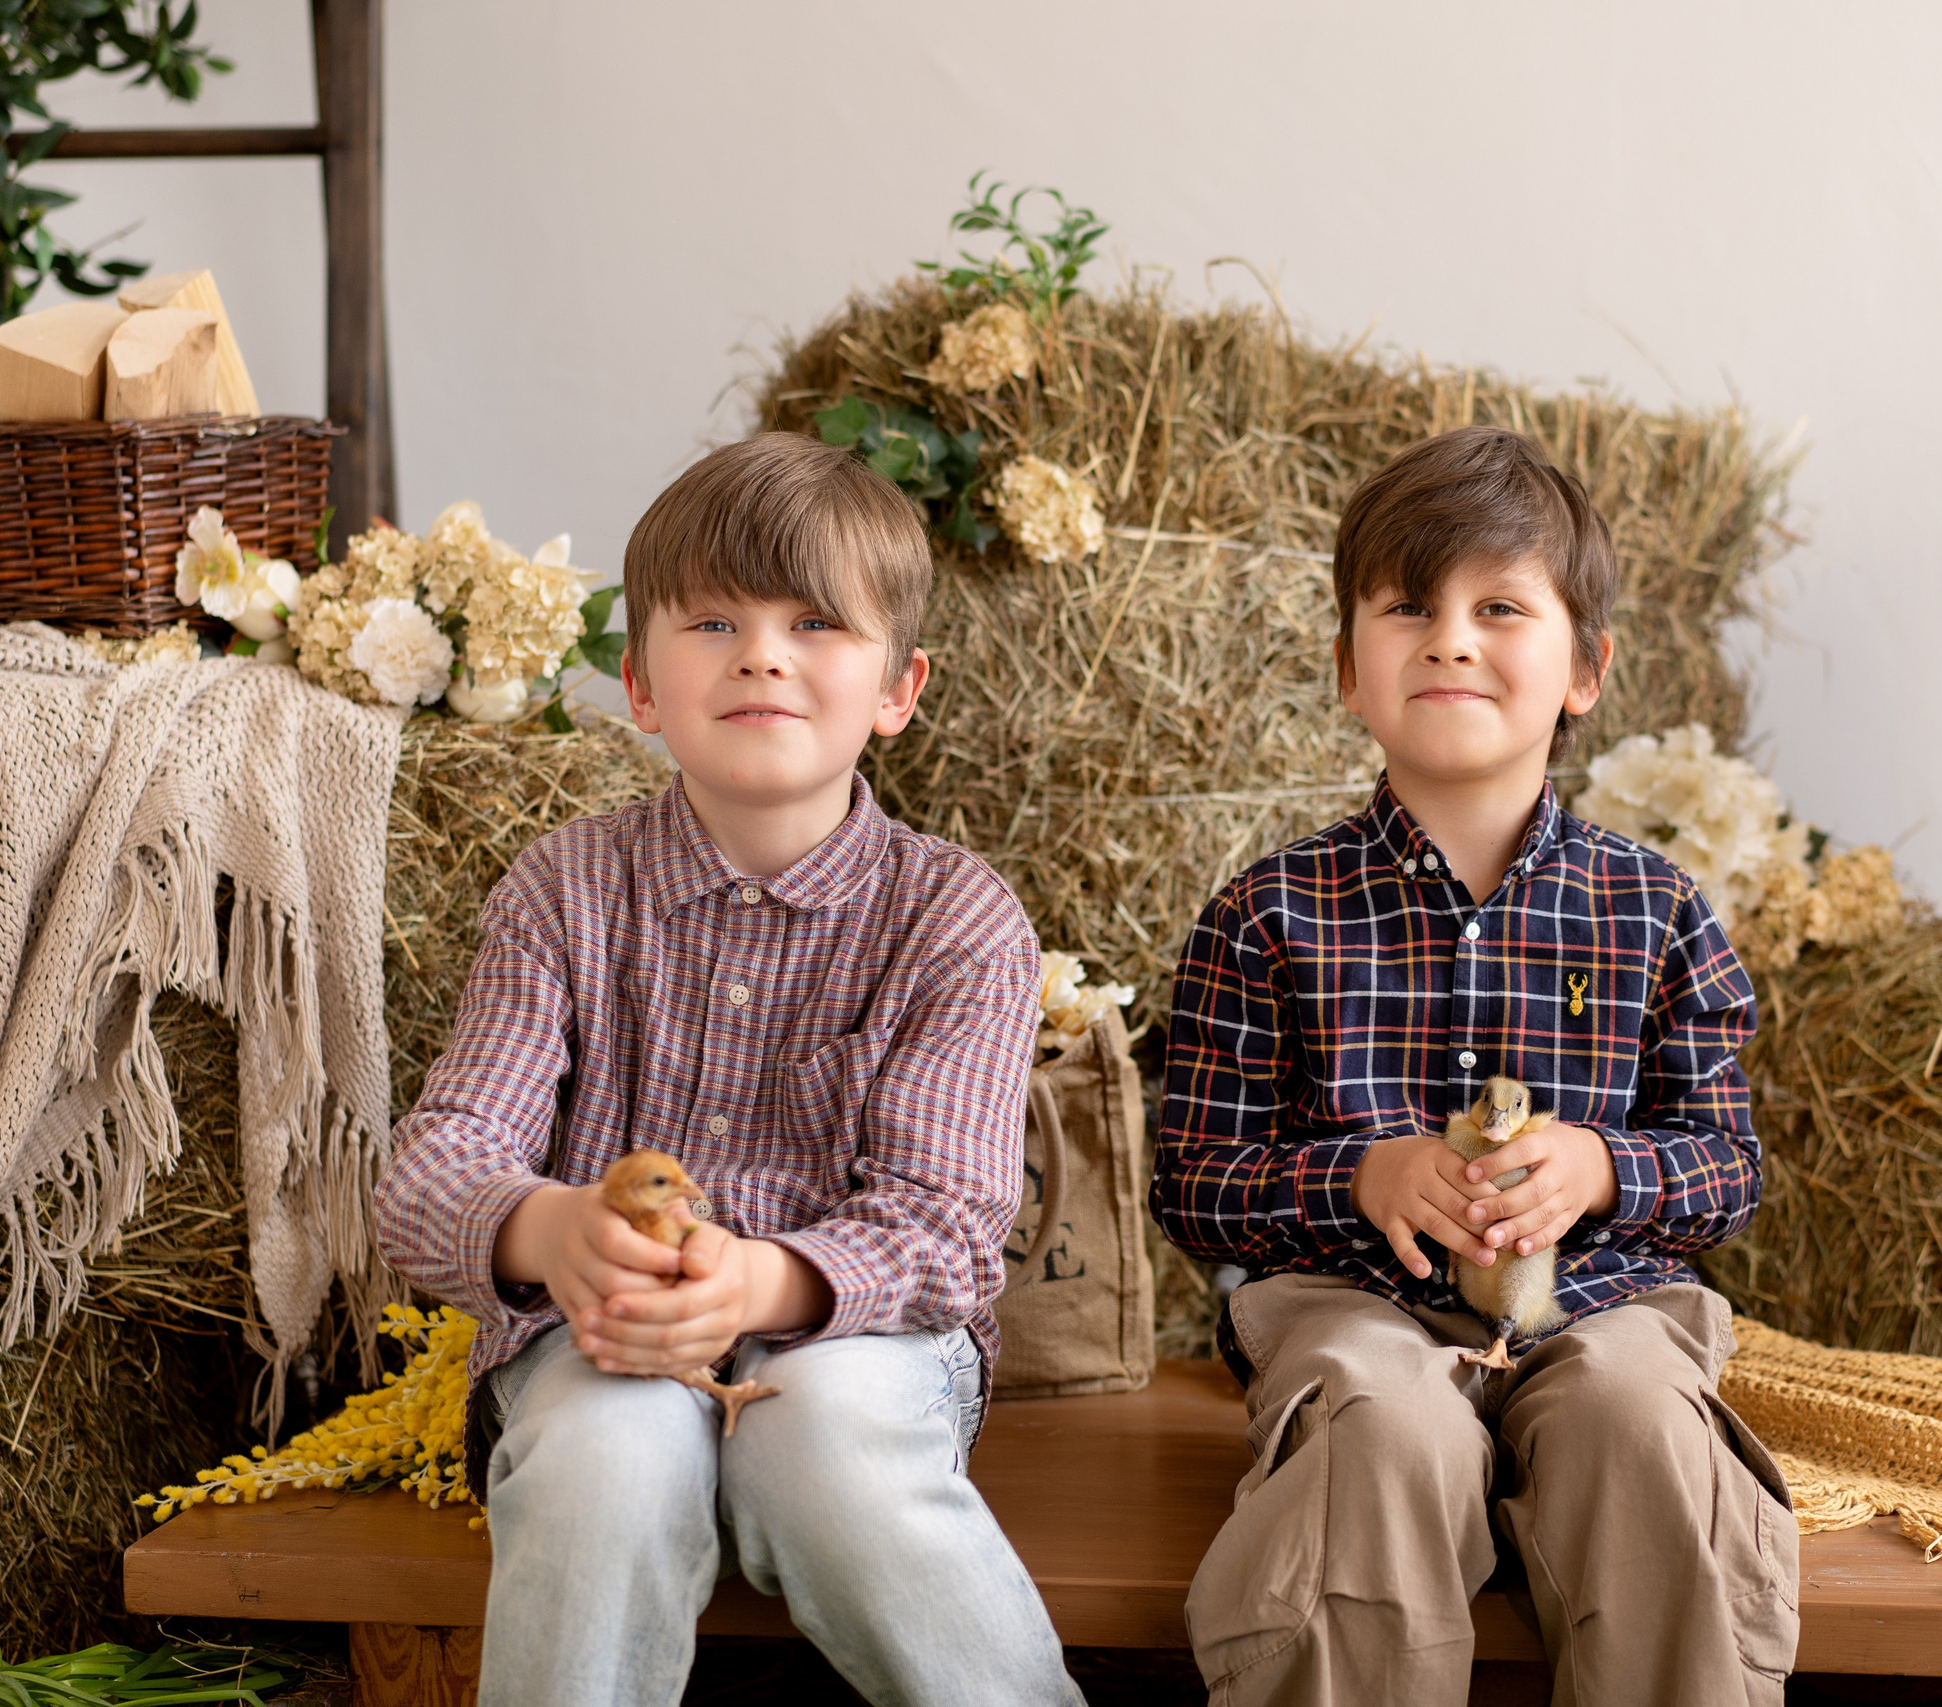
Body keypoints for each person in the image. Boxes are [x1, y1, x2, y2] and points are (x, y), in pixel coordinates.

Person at [375, 433, 1082, 1707]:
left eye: (815, 623)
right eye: (712, 622)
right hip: (600, 1334)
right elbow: (436, 1167)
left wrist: (760, 1280)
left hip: (864, 1343)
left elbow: (949, 1228)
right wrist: (552, 1230)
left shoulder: (955, 918)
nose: (760, 654)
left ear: (897, 688)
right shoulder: (565, 889)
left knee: (825, 1439)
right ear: (640, 685)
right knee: (606, 1453)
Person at [1155, 425, 1797, 1707]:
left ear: (1586, 670)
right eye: (1408, 608)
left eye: (1498, 607)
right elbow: (1193, 1183)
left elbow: (1727, 1168)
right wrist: (1359, 1176)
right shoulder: (1268, 913)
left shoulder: (1655, 910)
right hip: (1355, 1312)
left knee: (1637, 1422)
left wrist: (1601, 1167)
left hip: (1602, 1306)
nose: (1449, 639)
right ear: (1349, 672)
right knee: (1378, 1426)